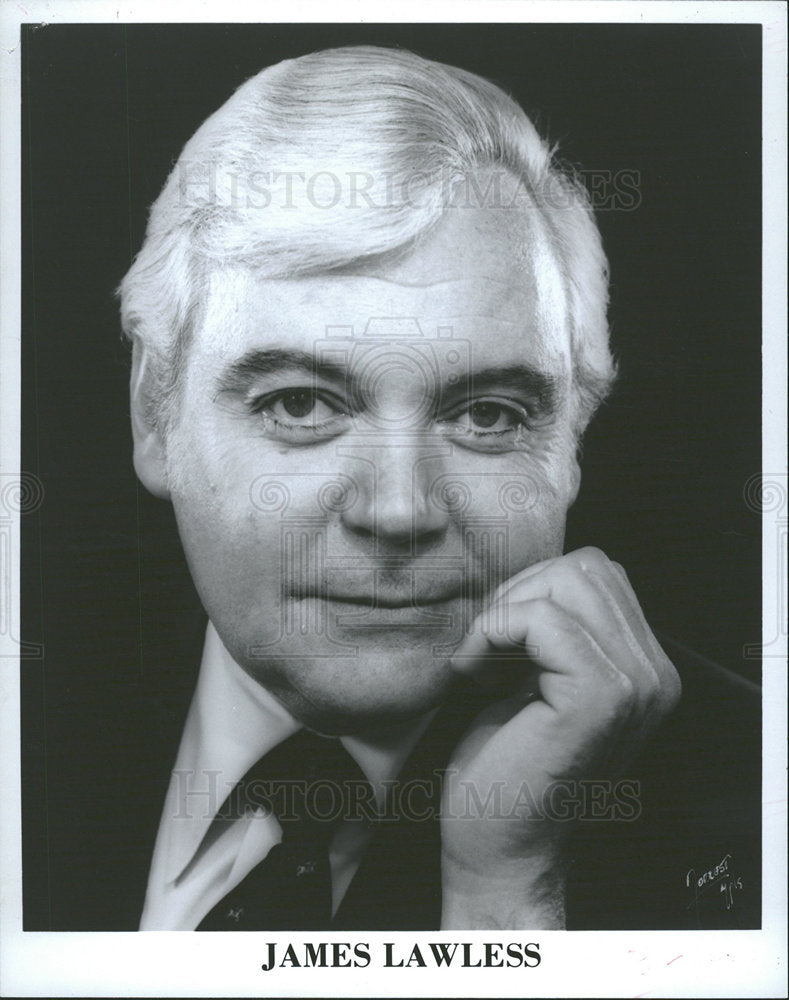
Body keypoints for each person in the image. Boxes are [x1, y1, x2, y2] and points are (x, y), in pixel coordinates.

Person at [115, 45, 760, 931]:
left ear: (571, 440)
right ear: (156, 416)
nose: (398, 511)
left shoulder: (755, 799)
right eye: (301, 404)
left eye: (487, 416)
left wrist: (506, 892)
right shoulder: (36, 709)